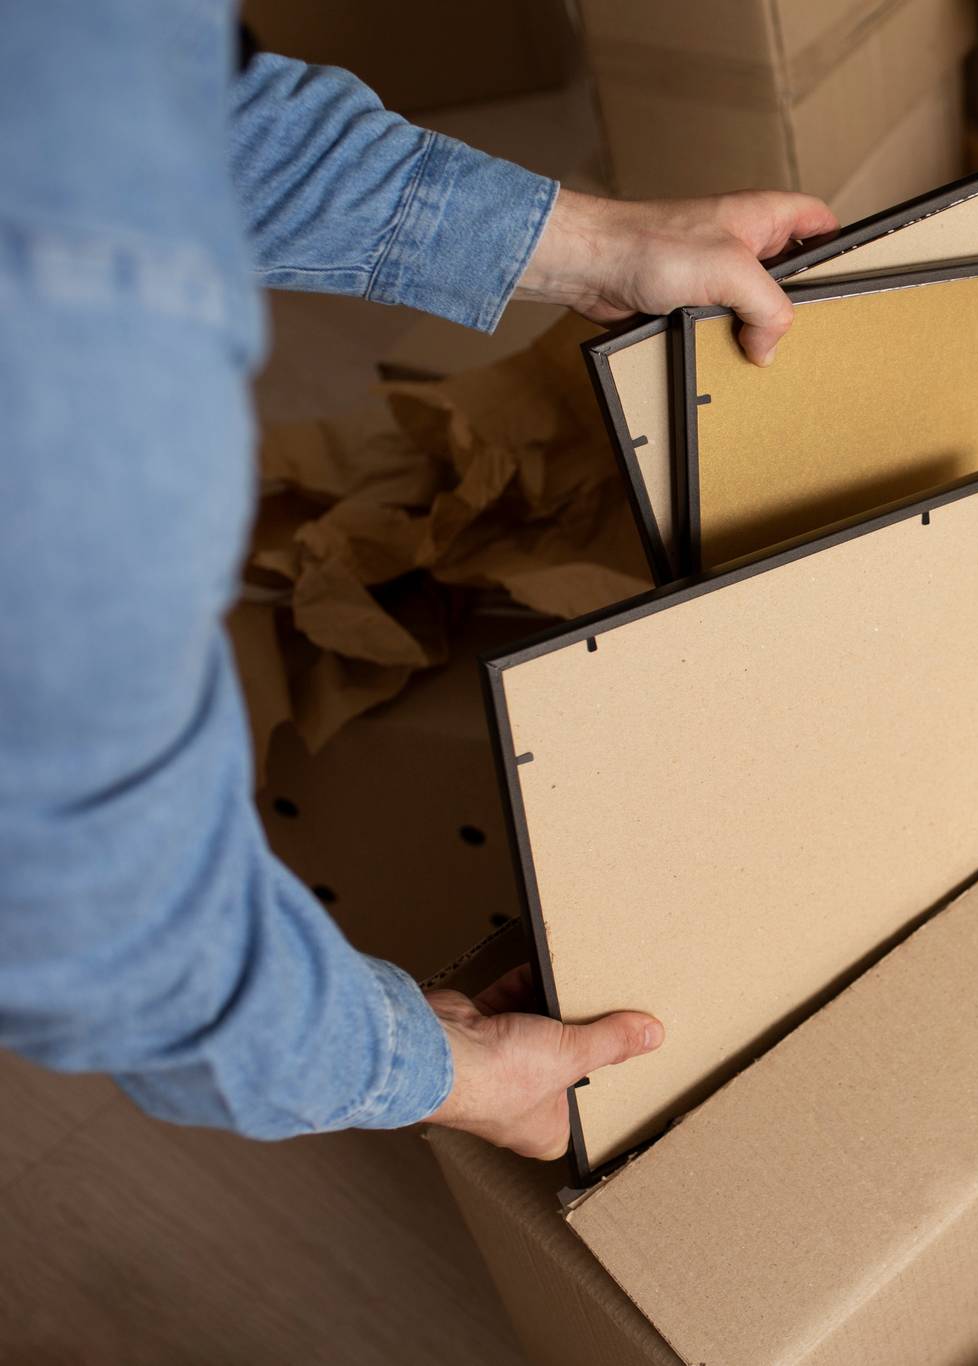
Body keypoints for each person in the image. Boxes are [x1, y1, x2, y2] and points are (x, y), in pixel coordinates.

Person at [0, 4, 837, 1160]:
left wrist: (595, 242)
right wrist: (440, 1068)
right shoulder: (71, 338)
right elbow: (95, 912)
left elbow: (169, 105)